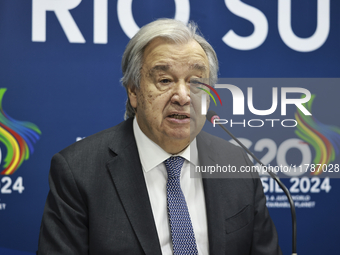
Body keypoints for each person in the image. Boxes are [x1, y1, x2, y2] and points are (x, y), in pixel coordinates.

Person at [37, 19, 282, 255]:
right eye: (165, 80)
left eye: (196, 82)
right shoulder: (78, 172)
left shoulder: (236, 162)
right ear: (134, 90)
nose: (183, 96)